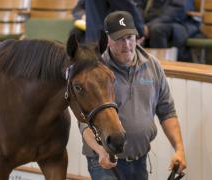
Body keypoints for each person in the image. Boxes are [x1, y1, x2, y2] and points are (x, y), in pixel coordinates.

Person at [78, 11, 187, 180]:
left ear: (137, 37)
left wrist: (179, 149)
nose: (126, 44)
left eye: (130, 37)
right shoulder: (97, 69)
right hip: (105, 162)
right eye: (119, 39)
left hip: (139, 159)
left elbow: (167, 112)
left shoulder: (153, 66)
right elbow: (85, 122)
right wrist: (100, 151)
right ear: (108, 39)